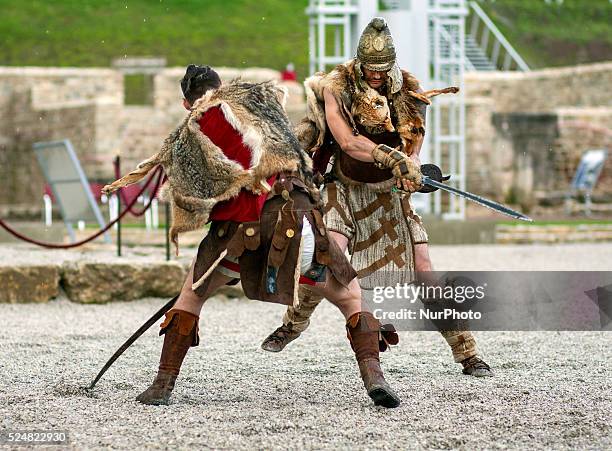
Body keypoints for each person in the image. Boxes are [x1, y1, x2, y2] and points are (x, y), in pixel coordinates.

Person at [103, 64, 401, 407]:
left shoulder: (195, 127)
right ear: (222, 86)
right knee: (350, 297)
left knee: (191, 296)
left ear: (188, 103)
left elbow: (196, 200)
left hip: (238, 236)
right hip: (298, 223)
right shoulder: (264, 105)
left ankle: (161, 385)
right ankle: (374, 377)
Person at [260, 18, 493, 377]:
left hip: (389, 196)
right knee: (325, 259)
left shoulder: (409, 92)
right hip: (343, 189)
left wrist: (411, 172)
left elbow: (413, 147)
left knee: (425, 270)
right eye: (371, 69)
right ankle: (292, 324)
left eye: (383, 70)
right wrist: (389, 156)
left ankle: (467, 352)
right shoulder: (336, 87)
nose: (376, 76)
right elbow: (349, 141)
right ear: (360, 63)